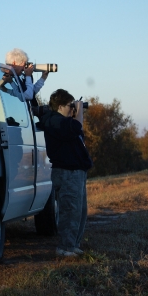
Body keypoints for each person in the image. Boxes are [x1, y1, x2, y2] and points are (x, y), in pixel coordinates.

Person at [40, 89, 93, 257]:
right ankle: (65, 248)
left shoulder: (62, 122)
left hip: (75, 172)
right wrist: (79, 114)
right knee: (70, 210)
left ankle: (73, 244)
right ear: (61, 106)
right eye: (70, 105)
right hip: (67, 173)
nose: (73, 109)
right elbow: (76, 127)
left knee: (79, 211)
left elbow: (75, 131)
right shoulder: (54, 121)